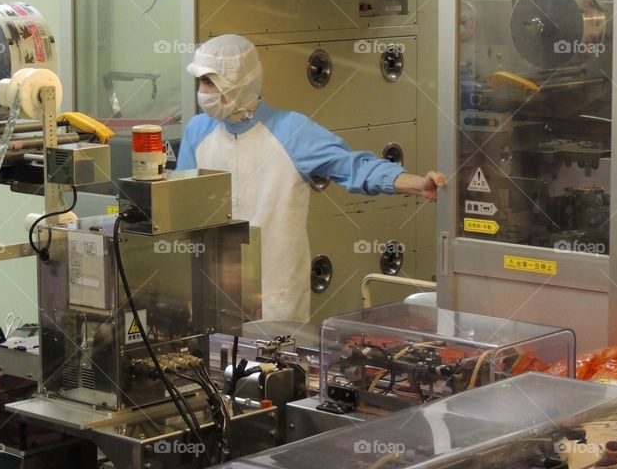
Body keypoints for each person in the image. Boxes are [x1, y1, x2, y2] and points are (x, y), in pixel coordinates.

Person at [176, 34, 445, 323]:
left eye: (210, 82)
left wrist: (417, 183)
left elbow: (354, 167)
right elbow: (181, 207)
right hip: (211, 289)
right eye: (201, 82)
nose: (203, 92)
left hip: (276, 296)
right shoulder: (197, 131)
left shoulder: (291, 131)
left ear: (240, 82)